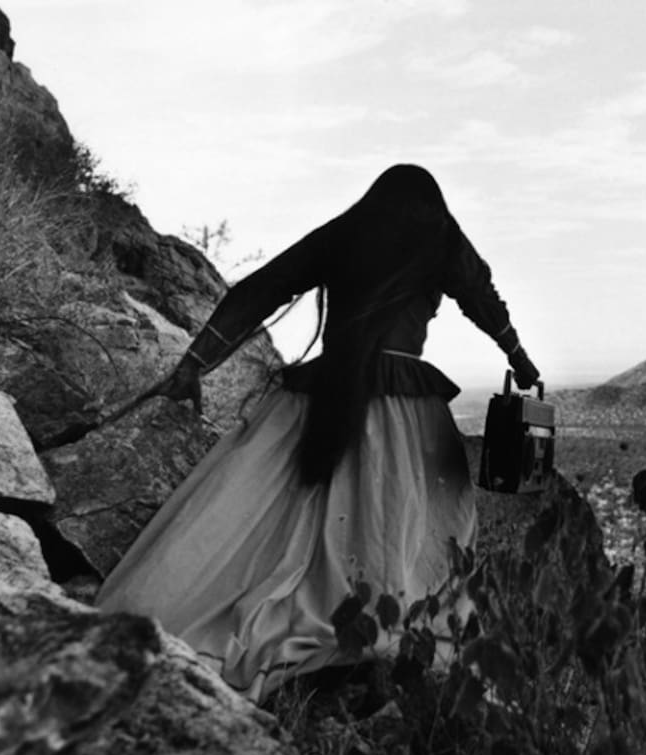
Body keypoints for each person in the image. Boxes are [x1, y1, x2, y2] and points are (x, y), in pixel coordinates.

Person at [95, 164, 540, 703]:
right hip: (404, 408)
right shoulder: (440, 237)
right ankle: (380, 626)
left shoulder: (347, 231)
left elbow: (262, 288)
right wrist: (520, 360)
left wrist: (196, 363)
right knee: (420, 523)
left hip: (321, 394)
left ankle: (323, 620)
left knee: (270, 514)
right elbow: (483, 299)